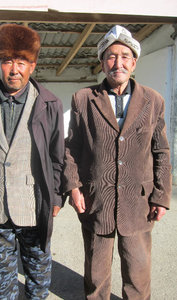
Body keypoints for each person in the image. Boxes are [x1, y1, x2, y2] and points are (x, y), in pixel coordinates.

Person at [63, 25, 172, 300]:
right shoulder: (83, 99)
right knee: (96, 273)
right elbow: (72, 148)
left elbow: (161, 152)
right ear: (102, 63)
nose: (118, 63)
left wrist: (161, 196)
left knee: (137, 271)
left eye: (125, 56)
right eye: (111, 56)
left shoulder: (153, 100)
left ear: (134, 62)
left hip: (139, 202)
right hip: (96, 200)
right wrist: (73, 187)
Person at [0, 24, 64, 300]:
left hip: (34, 206)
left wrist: (55, 198)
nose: (14, 69)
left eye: (21, 62)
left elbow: (57, 157)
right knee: (1, 283)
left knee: (38, 280)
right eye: (7, 61)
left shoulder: (49, 104)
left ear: (33, 65)